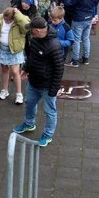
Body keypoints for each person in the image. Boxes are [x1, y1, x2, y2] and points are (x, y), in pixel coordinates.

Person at [13, 17, 64, 147]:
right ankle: (29, 124)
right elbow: (32, 57)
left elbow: (59, 69)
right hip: (33, 82)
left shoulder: (54, 46)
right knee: (29, 103)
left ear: (38, 30)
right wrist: (26, 69)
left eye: (32, 30)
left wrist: (54, 89)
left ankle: (48, 135)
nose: (30, 32)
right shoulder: (34, 39)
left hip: (47, 87)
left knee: (50, 111)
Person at [0, 7, 30, 104]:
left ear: (13, 18)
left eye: (7, 20)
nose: (5, 21)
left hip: (15, 50)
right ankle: (4, 90)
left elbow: (27, 26)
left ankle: (19, 94)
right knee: (4, 69)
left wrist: (18, 14)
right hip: (2, 49)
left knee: (15, 72)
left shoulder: (19, 22)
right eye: (4, 19)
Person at [64, 0, 99, 66]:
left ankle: (74, 60)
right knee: (86, 38)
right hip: (89, 18)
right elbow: (95, 5)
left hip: (78, 19)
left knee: (76, 39)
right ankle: (85, 58)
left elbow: (68, 4)